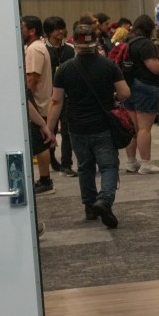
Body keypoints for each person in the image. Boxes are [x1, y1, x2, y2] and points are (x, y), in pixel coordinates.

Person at [45, 24, 131, 228]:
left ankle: (90, 206)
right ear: (96, 42)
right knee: (109, 166)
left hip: (76, 126)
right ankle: (105, 200)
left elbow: (56, 101)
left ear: (74, 42)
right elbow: (125, 93)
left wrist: (49, 129)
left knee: (85, 167)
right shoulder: (109, 65)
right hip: (103, 125)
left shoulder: (65, 68)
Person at [121, 14, 159, 174]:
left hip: (129, 86)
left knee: (132, 129)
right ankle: (146, 164)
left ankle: (131, 162)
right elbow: (155, 68)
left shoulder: (128, 41)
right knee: (144, 129)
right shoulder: (146, 43)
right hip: (145, 87)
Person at [22, 15, 56, 195]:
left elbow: (31, 80)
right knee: (40, 143)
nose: (19, 31)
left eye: (22, 28)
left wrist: (26, 103)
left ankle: (45, 180)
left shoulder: (34, 49)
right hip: (40, 103)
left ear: (32, 30)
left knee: (40, 145)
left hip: (37, 104)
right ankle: (44, 179)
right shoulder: (37, 47)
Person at [43, 16, 78, 178]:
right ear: (49, 32)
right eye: (56, 29)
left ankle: (66, 164)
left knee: (67, 130)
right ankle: (51, 159)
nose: (60, 32)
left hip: (67, 95)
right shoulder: (42, 49)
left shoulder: (70, 49)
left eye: (62, 28)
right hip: (47, 96)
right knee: (48, 129)